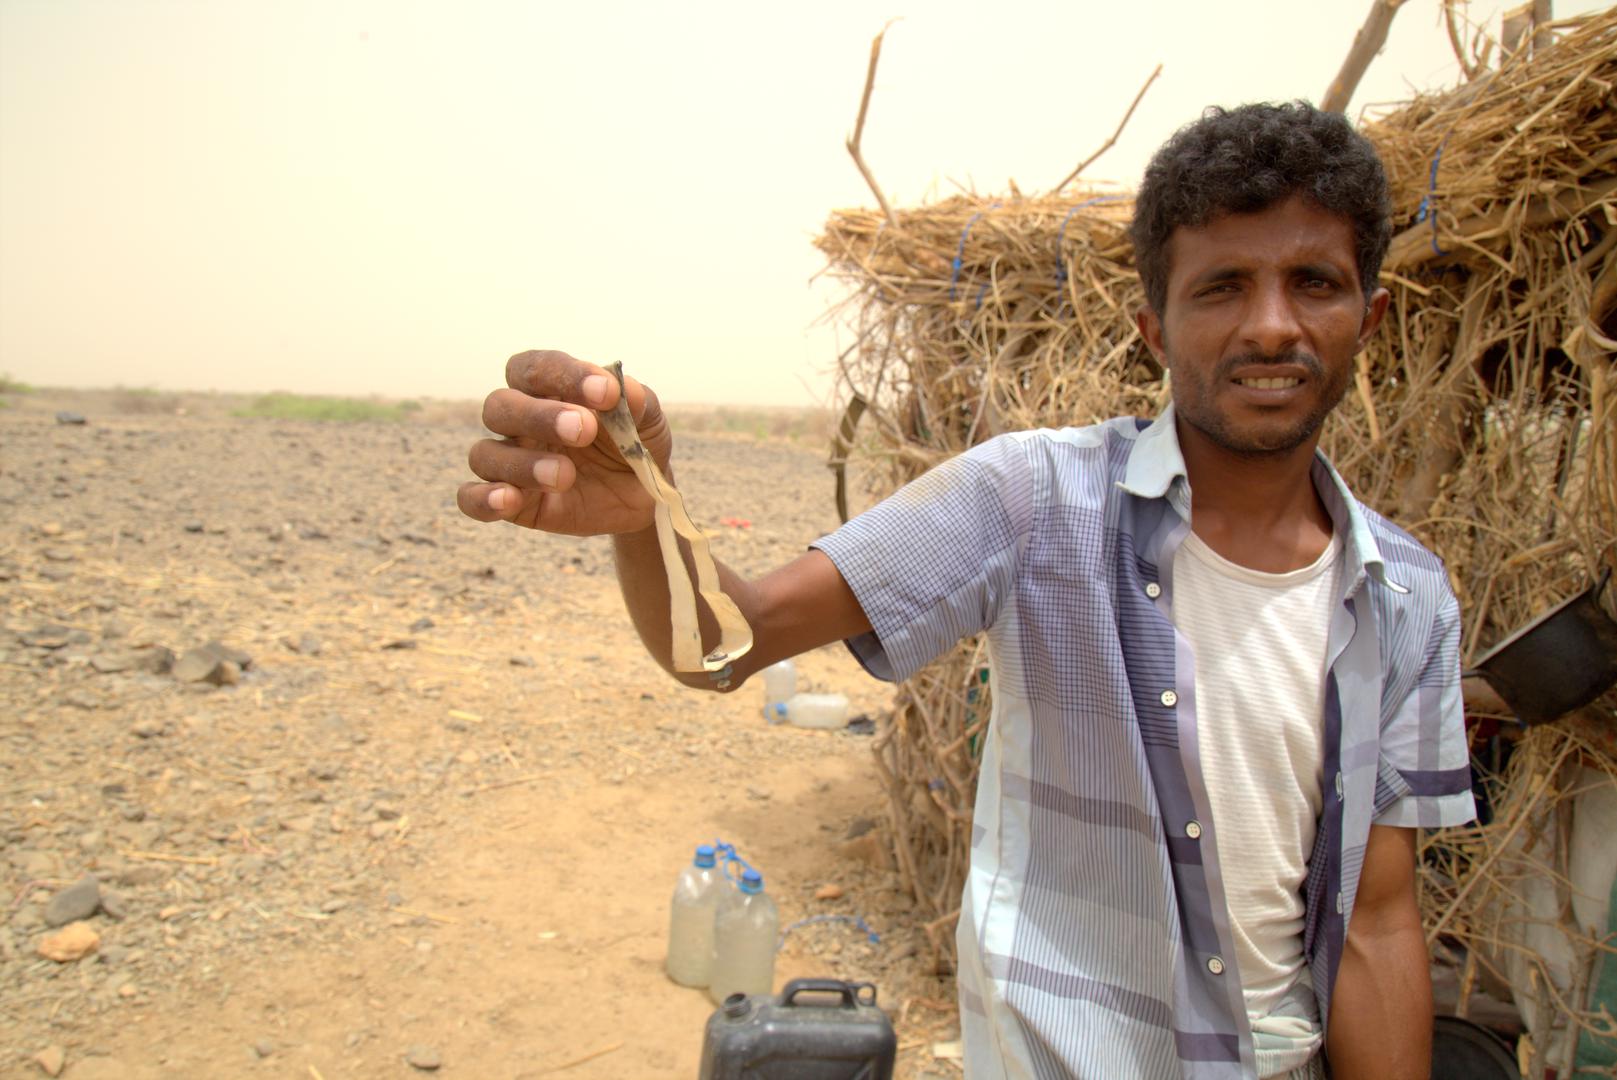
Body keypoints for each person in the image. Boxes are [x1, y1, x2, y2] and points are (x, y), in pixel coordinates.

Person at [457, 101, 1475, 1080]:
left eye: (1313, 282)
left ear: (1368, 316)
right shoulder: (1034, 500)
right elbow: (728, 643)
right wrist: (650, 516)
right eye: (1220, 288)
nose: (1269, 326)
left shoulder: (1407, 600)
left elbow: (1379, 919)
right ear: (1154, 328)